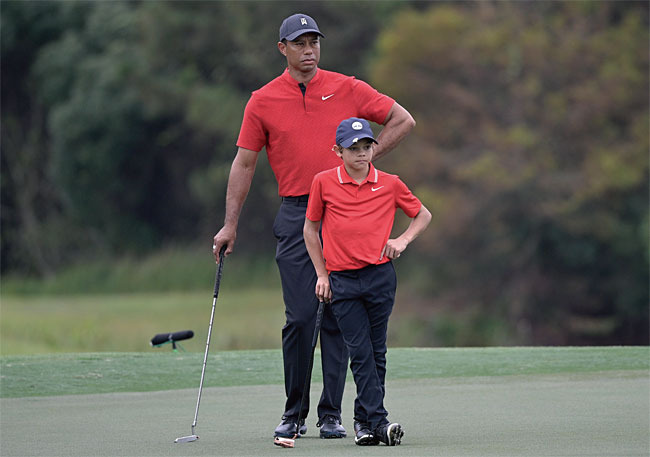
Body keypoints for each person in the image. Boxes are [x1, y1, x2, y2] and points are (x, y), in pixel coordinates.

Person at [212, 13, 416, 440]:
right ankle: (294, 412)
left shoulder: (347, 87)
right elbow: (244, 162)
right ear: (282, 48)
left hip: (345, 210)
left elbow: (403, 119)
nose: (309, 51)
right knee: (302, 317)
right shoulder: (262, 100)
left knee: (338, 320)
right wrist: (230, 224)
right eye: (299, 43)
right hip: (296, 212)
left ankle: (331, 414)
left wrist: (363, 160)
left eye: (314, 42)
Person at [303, 117, 431, 446]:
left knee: (377, 352)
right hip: (342, 280)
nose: (361, 153)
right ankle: (379, 421)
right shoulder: (323, 182)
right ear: (338, 151)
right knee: (359, 352)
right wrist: (321, 274)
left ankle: (364, 424)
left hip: (379, 277)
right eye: (353, 148)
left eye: (366, 146)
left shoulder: (389, 183)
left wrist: (402, 241)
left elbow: (422, 214)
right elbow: (310, 230)